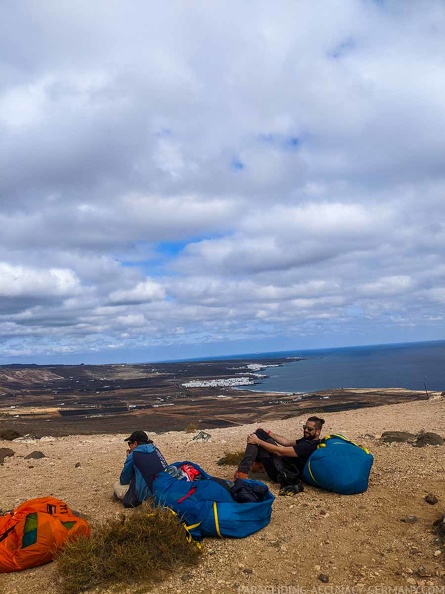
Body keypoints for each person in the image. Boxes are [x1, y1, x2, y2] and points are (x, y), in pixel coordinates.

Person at [234, 416, 325, 489]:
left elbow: (279, 452)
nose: (305, 430)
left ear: (317, 432)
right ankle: (257, 465)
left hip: (279, 472)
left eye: (309, 429)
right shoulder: (307, 441)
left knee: (257, 438)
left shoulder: (307, 446)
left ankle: (242, 472)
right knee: (260, 432)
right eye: (305, 427)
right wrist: (268, 433)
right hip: (280, 464)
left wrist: (257, 441)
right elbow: (286, 442)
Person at [113, 430, 168, 507]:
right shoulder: (156, 450)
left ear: (135, 443)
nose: (129, 446)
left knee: (117, 485)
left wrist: (128, 458)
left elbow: (124, 480)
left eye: (129, 443)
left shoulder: (133, 455)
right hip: (164, 490)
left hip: (147, 495)